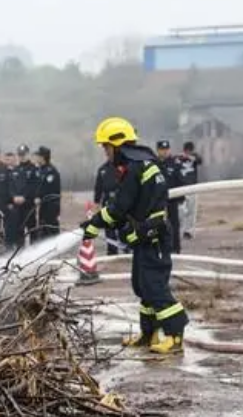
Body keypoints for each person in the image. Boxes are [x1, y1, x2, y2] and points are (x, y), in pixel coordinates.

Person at [81, 117, 189, 355]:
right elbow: (130, 208)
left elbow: (120, 207)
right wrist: (99, 223)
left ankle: (175, 334)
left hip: (154, 237)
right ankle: (149, 334)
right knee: (142, 286)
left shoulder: (134, 168)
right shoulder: (141, 163)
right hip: (144, 236)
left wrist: (94, 223)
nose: (105, 152)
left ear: (118, 144)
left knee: (155, 286)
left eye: (106, 147)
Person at [93, 159, 127, 256]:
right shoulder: (103, 169)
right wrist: (96, 202)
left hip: (121, 201)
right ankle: (112, 250)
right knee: (109, 229)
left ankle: (127, 248)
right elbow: (98, 187)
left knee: (123, 227)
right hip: (107, 202)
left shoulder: (124, 166)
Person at [157, 140, 185, 254]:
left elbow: (180, 180)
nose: (165, 152)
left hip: (172, 200)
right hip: (158, 200)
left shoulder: (175, 164)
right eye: (162, 150)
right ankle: (160, 248)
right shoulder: (154, 164)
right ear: (158, 150)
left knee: (174, 224)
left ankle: (175, 248)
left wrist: (181, 197)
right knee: (158, 224)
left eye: (166, 149)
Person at [33, 146, 61, 241]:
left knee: (51, 231)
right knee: (42, 231)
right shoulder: (40, 170)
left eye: (38, 156)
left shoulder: (51, 171)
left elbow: (51, 190)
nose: (36, 158)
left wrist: (39, 197)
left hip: (51, 207)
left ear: (43, 157)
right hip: (43, 206)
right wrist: (37, 196)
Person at [176, 142, 202, 239]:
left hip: (193, 186)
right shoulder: (179, 158)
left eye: (190, 150)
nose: (188, 152)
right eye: (187, 150)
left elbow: (199, 160)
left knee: (191, 210)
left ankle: (188, 231)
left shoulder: (195, 157)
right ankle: (179, 229)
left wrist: (189, 157)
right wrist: (180, 157)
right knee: (180, 210)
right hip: (181, 187)